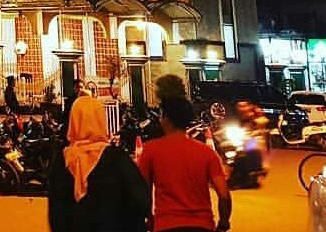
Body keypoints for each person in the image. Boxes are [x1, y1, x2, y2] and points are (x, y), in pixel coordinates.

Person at [47, 95, 147, 232]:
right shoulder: (116, 159)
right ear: (101, 120)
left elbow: (56, 215)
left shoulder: (61, 162)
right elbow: (141, 200)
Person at [139, 96, 232, 232]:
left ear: (165, 118)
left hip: (166, 225)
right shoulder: (207, 153)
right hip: (202, 226)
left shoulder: (150, 150)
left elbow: (142, 191)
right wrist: (223, 224)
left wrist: (149, 218)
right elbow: (224, 195)